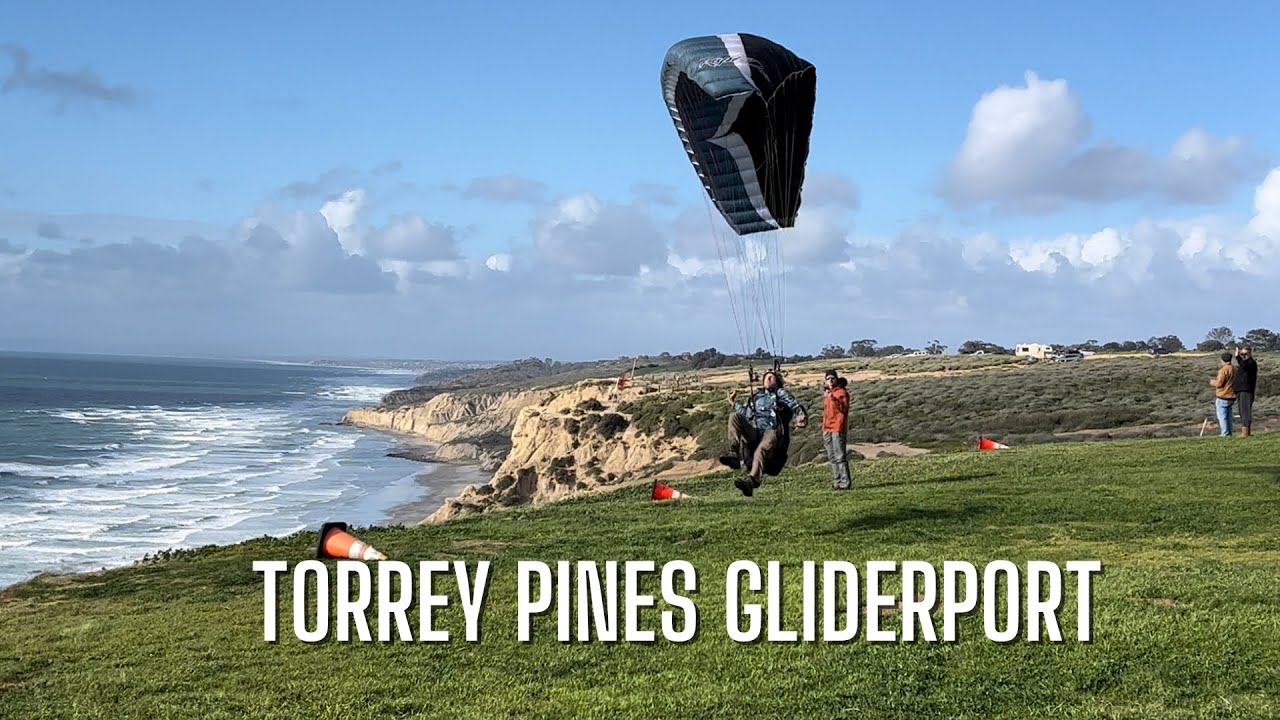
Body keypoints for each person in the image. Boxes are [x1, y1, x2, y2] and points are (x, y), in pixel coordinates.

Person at [719, 370, 808, 496]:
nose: (769, 379)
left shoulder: (779, 394)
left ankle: (752, 480)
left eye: (772, 377)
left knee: (761, 449)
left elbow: (794, 404)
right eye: (767, 377)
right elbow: (745, 413)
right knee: (734, 416)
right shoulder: (756, 396)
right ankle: (734, 454)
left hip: (771, 431)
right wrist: (733, 402)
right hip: (754, 431)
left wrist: (800, 415)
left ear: (777, 381)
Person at [821, 370, 852, 490]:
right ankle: (837, 481)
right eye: (828, 378)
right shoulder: (827, 394)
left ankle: (845, 482)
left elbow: (843, 409)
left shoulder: (841, 393)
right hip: (827, 427)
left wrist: (832, 398)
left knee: (840, 456)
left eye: (832, 378)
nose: (830, 380)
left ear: (836, 379)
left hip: (838, 428)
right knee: (832, 456)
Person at [1209, 351, 1237, 436]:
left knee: (1222, 416)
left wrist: (1213, 382)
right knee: (1229, 416)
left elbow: (1220, 384)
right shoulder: (1235, 368)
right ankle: (1229, 432)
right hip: (1232, 395)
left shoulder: (1223, 370)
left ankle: (1225, 433)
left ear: (1222, 360)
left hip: (1223, 395)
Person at [1234, 346, 1258, 437]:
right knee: (1241, 411)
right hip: (1241, 390)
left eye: (1245, 354)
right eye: (1242, 354)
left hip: (1247, 390)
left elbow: (1244, 366)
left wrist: (1237, 357)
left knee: (1245, 411)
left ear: (1250, 354)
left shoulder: (1251, 363)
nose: (1243, 356)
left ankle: (1246, 432)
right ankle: (1245, 431)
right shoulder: (1245, 364)